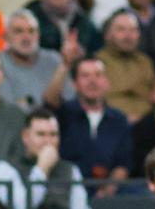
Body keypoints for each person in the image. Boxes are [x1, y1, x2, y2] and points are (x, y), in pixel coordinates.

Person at [0, 108, 98, 209]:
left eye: (53, 135)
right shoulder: (5, 168)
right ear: (25, 137)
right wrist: (42, 168)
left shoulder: (70, 169)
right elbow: (23, 208)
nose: (48, 141)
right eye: (41, 135)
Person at [55, 57, 132, 197]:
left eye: (98, 75)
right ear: (74, 84)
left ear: (107, 82)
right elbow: (49, 100)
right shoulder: (63, 114)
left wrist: (108, 191)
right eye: (85, 76)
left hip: (109, 193)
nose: (92, 81)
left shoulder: (119, 120)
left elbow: (123, 164)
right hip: (67, 190)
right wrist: (65, 64)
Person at [94, 10, 154, 120]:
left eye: (133, 30)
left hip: (147, 125)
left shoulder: (145, 62)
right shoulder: (96, 62)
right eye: (121, 30)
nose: (128, 36)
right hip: (112, 124)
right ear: (107, 35)